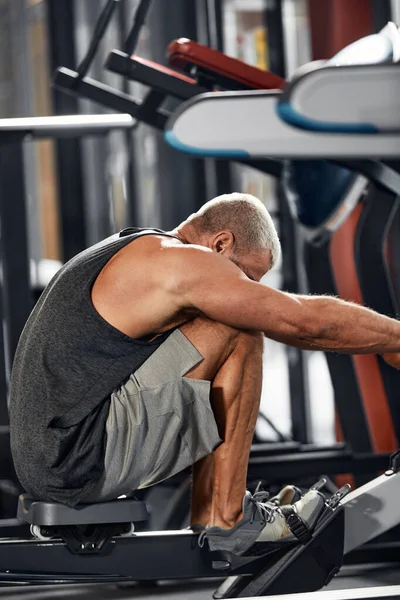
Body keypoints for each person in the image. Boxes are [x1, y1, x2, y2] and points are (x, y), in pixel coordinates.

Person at [9, 193, 400, 557]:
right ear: (220, 244)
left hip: (62, 455)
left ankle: (218, 510)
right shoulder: (180, 263)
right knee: (239, 330)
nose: (249, 291)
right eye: (248, 278)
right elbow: (301, 322)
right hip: (78, 460)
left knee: (233, 323)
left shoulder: (139, 249)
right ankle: (226, 519)